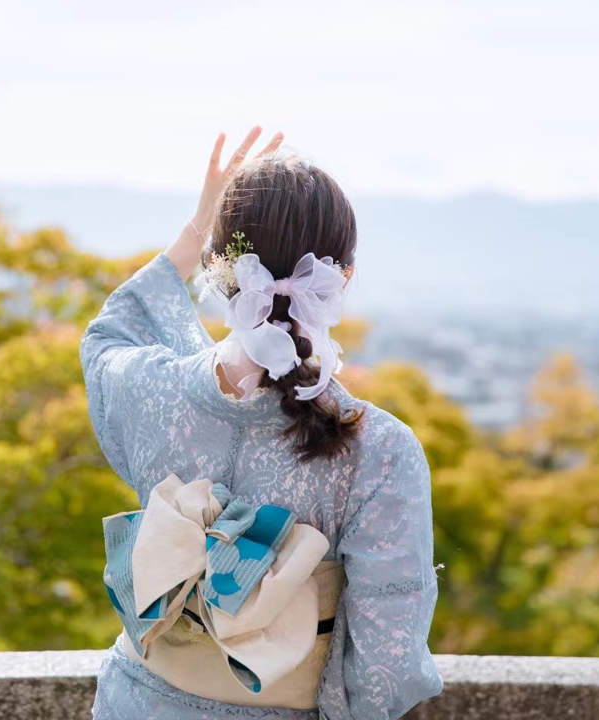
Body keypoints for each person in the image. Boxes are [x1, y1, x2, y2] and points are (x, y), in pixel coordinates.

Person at [81, 127, 443, 719]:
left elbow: (112, 331)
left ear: (218, 268)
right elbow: (387, 664)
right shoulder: (378, 450)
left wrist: (199, 226)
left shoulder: (151, 389)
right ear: (342, 277)